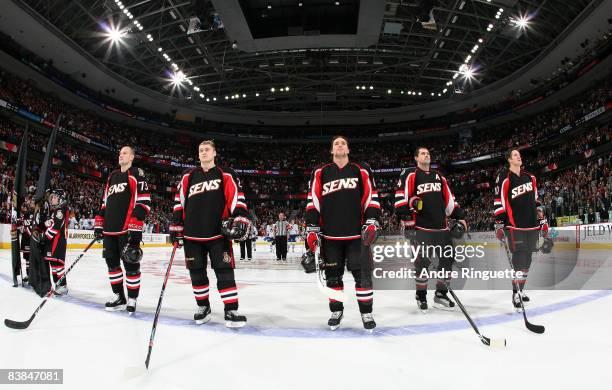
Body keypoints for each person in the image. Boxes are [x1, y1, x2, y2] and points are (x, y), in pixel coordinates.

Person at [169, 140, 251, 328]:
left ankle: (231, 310)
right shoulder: (188, 176)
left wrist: (240, 216)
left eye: (207, 150)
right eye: (201, 150)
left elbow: (236, 197)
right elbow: (179, 201)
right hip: (191, 235)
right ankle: (203, 307)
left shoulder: (226, 173)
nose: (204, 152)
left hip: (217, 234)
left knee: (225, 273)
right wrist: (176, 224)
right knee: (196, 273)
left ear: (214, 153)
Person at [305, 135, 381, 331]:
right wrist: (312, 228)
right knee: (332, 278)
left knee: (363, 276)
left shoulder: (361, 170)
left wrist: (372, 220)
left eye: (343, 143)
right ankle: (336, 311)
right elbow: (313, 200)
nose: (340, 145)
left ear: (348, 149)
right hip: (330, 237)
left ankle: (366, 313)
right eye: (336, 143)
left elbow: (371, 197)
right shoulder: (321, 172)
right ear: (332, 150)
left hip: (357, 236)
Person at [395, 146, 466, 312]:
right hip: (420, 228)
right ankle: (421, 295)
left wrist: (460, 216)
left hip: (441, 228)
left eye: (428, 153)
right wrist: (407, 217)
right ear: (416, 158)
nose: (426, 155)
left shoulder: (439, 177)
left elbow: (449, 201)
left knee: (447, 260)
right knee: (422, 263)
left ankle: (440, 294)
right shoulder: (409, 174)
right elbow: (400, 198)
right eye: (422, 153)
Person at [94, 146, 151, 314]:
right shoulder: (112, 176)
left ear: (132, 157)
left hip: (127, 230)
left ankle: (132, 298)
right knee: (112, 266)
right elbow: (104, 203)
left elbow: (144, 201)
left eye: (125, 153)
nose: (121, 155)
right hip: (109, 231)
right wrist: (99, 223)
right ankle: (119, 296)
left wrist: (135, 225)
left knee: (131, 265)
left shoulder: (136, 173)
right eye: (119, 153)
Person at [494, 149, 548, 310]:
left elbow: (536, 201)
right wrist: (499, 224)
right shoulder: (504, 178)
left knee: (528, 259)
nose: (519, 157)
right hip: (514, 225)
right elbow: (499, 201)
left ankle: (521, 288)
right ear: (509, 160)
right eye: (515, 155)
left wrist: (542, 220)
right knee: (519, 259)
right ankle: (515, 293)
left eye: (519, 154)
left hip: (531, 225)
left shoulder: (530, 177)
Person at [40, 189, 70, 295]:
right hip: (54, 241)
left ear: (61, 199)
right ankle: (58, 284)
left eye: (55, 197)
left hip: (57, 241)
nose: (52, 199)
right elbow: (53, 223)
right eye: (52, 197)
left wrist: (45, 237)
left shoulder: (60, 210)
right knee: (53, 263)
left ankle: (63, 285)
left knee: (58, 264)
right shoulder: (56, 210)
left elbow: (56, 227)